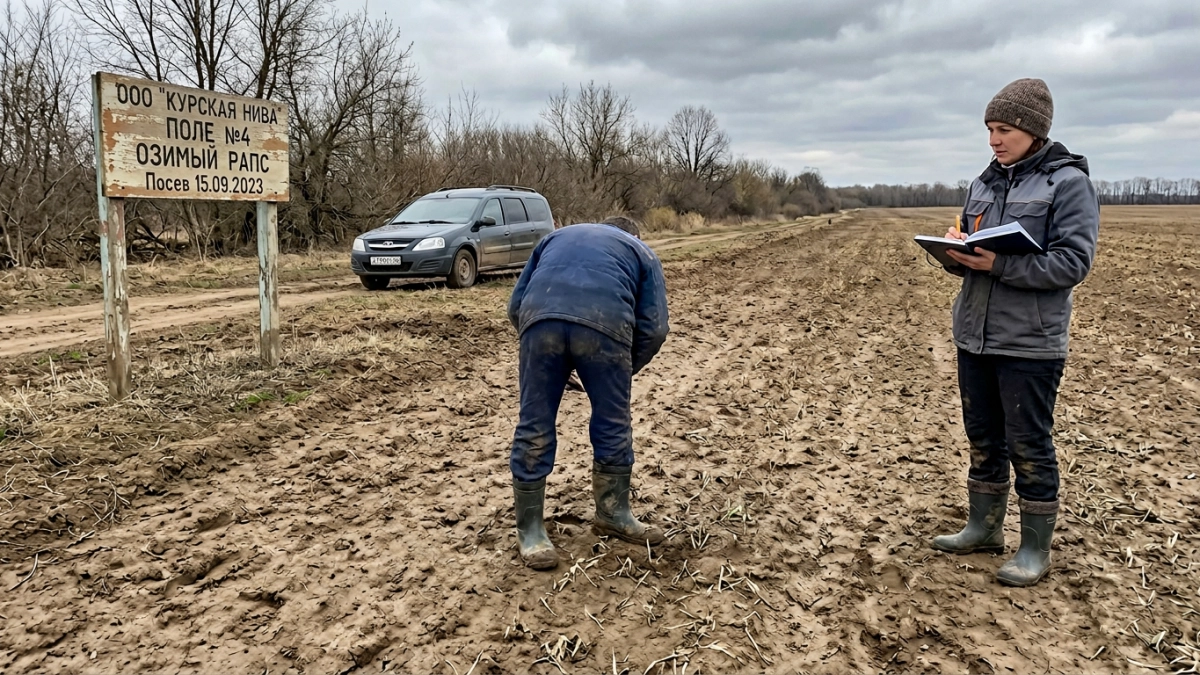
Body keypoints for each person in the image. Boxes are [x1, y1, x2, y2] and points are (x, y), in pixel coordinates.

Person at [932, 78, 1100, 587]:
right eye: (989, 129)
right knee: (982, 435)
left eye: (1002, 129)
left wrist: (996, 264)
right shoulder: (983, 182)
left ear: (1032, 130)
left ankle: (1034, 548)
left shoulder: (1068, 185)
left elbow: (1072, 263)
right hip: (974, 334)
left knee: (1028, 441)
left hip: (1030, 341)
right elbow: (976, 257)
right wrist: (958, 253)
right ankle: (983, 528)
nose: (993, 140)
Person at [506, 215, 670, 569]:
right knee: (612, 422)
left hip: (539, 324)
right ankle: (613, 514)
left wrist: (547, 354)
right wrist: (626, 366)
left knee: (534, 423)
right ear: (633, 236)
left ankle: (531, 533)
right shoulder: (642, 251)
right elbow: (655, 329)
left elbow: (515, 306)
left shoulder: (554, 238)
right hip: (606, 327)